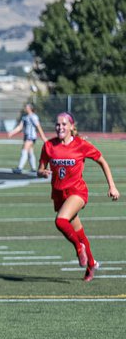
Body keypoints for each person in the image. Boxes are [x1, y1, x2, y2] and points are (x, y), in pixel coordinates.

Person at [38, 113, 119, 282]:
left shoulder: (81, 145)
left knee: (60, 221)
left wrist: (111, 186)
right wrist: (41, 172)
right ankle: (91, 265)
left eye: (64, 124)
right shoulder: (48, 146)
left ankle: (78, 248)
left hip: (77, 192)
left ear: (71, 127)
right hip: (59, 194)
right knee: (79, 232)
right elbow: (40, 168)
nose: (60, 127)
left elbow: (102, 161)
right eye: (58, 124)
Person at [7, 103, 45, 174]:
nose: (25, 108)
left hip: (31, 137)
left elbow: (38, 126)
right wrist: (12, 132)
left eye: (26, 107)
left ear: (30, 108)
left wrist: (43, 137)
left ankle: (19, 168)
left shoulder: (33, 117)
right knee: (30, 152)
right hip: (27, 137)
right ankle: (33, 168)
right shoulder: (25, 117)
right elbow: (20, 127)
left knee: (24, 150)